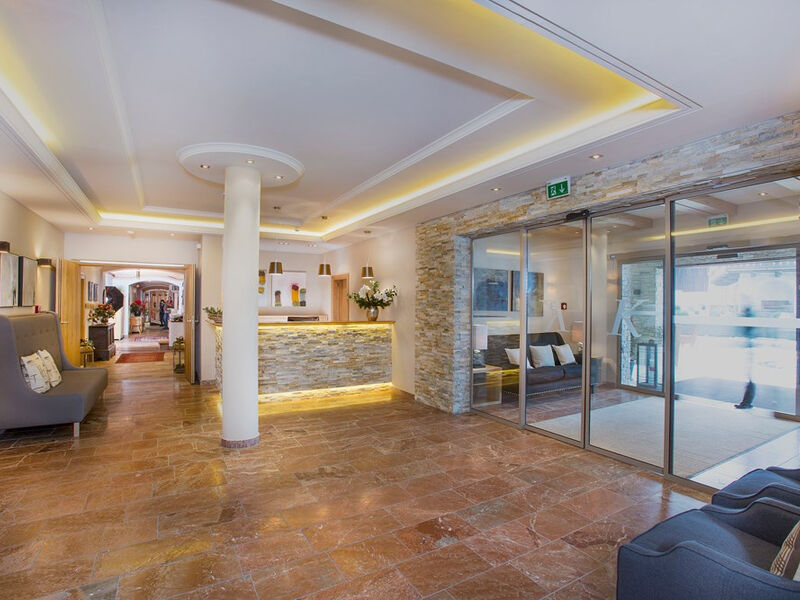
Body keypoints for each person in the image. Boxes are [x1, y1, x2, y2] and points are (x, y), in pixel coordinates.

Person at [735, 305, 756, 409]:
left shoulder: (750, 319)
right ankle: (747, 402)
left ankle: (747, 402)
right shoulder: (751, 318)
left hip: (751, 347)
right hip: (750, 347)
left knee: (750, 376)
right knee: (750, 377)